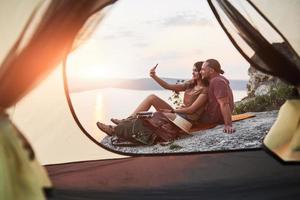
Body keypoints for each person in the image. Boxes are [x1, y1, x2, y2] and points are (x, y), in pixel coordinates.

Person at [96, 61, 209, 137]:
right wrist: (154, 76)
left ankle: (115, 130)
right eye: (192, 70)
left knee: (151, 116)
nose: (192, 72)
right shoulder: (190, 84)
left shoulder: (204, 90)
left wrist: (172, 111)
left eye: (195, 70)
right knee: (152, 98)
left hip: (186, 120)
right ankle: (127, 121)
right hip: (177, 114)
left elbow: (191, 110)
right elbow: (168, 87)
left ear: (201, 72)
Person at [199, 59, 236, 133]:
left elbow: (224, 104)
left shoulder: (217, 81)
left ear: (211, 71)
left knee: (187, 115)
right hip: (214, 117)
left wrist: (228, 125)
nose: (200, 72)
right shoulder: (218, 79)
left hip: (213, 119)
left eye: (203, 69)